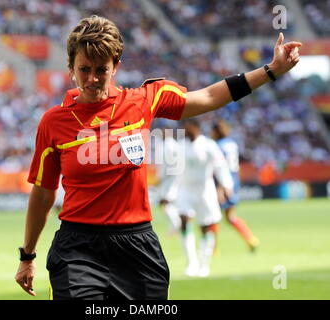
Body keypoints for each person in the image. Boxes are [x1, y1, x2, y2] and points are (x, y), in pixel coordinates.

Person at [15, 15, 301, 299]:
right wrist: (27, 255)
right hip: (78, 249)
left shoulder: (144, 100)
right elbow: (42, 193)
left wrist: (271, 70)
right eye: (84, 69)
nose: (92, 79)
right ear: (70, 67)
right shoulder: (53, 122)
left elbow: (211, 97)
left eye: (101, 69)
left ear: (116, 67)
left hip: (137, 248)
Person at [177, 118, 234, 277]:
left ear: (196, 128)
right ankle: (191, 262)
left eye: (187, 128)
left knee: (206, 226)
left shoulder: (208, 145)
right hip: (186, 190)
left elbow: (220, 166)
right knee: (184, 222)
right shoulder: (181, 145)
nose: (185, 131)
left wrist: (225, 186)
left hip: (205, 190)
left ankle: (204, 264)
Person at [211, 120, 259, 252]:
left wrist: (220, 187)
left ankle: (212, 249)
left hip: (222, 184)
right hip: (234, 181)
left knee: (212, 217)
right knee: (230, 217)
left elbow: (221, 168)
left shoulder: (217, 146)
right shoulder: (232, 144)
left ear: (215, 132)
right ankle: (250, 239)